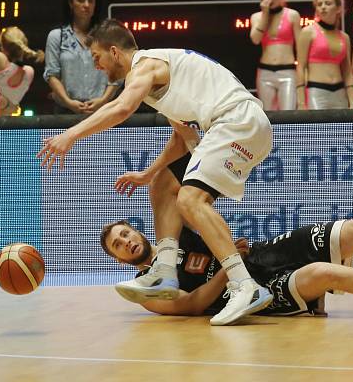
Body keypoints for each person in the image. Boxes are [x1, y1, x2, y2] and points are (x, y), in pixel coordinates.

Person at [38, 18, 275, 326]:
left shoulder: (145, 64)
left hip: (236, 121)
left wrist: (71, 134)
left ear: (114, 51)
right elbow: (181, 139)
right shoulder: (163, 78)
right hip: (241, 125)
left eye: (96, 57)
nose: (96, 66)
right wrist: (148, 173)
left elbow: (122, 109)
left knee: (190, 200)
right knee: (164, 183)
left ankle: (244, 285)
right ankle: (164, 270)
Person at [104, 151, 353, 318]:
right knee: (323, 275)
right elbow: (188, 307)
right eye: (118, 246)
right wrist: (227, 268)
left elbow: (166, 183)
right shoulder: (142, 285)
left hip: (259, 255)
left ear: (136, 227)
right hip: (245, 294)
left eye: (124, 233)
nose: (126, 242)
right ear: (119, 260)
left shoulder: (171, 234)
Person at [43, 0, 120, 114]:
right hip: (65, 112)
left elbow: (118, 73)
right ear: (71, 3)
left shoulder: (108, 35)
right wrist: (69, 102)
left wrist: (102, 101)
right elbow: (51, 75)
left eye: (91, 1)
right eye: (81, 0)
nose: (86, 5)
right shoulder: (57, 37)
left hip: (102, 110)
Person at [296, 0, 353, 110]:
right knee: (319, 128)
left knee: (342, 128)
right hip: (316, 91)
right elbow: (300, 66)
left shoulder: (344, 37)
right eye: (319, 4)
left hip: (339, 91)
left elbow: (348, 71)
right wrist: (301, 102)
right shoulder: (308, 32)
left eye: (328, 3)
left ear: (338, 8)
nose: (323, 7)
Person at [248, 0, 301, 110]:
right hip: (265, 71)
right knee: (267, 115)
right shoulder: (257, 17)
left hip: (288, 70)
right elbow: (255, 39)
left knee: (288, 112)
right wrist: (265, 14)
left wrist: (302, 73)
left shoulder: (292, 15)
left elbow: (301, 47)